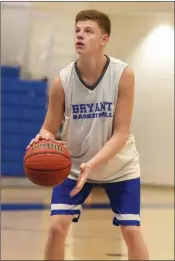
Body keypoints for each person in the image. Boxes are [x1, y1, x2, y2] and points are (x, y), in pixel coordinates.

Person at [27, 9, 149, 260]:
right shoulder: (62, 81)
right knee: (56, 227)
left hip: (120, 166)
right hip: (74, 166)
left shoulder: (123, 75)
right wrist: (43, 137)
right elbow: (49, 126)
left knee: (131, 231)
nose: (80, 36)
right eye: (77, 31)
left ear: (104, 39)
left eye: (88, 31)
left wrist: (92, 165)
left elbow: (121, 132)